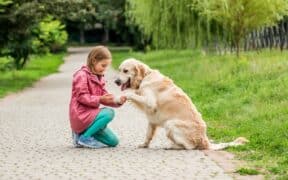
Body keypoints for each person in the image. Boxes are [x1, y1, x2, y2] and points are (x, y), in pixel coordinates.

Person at [69, 46, 126, 148]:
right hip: (81, 115)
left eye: (107, 66)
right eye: (103, 65)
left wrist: (118, 101)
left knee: (113, 142)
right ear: (94, 60)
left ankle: (82, 135)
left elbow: (105, 96)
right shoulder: (81, 75)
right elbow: (82, 96)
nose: (105, 69)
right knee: (109, 113)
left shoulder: (99, 78)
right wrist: (99, 99)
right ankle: (84, 137)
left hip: (91, 117)